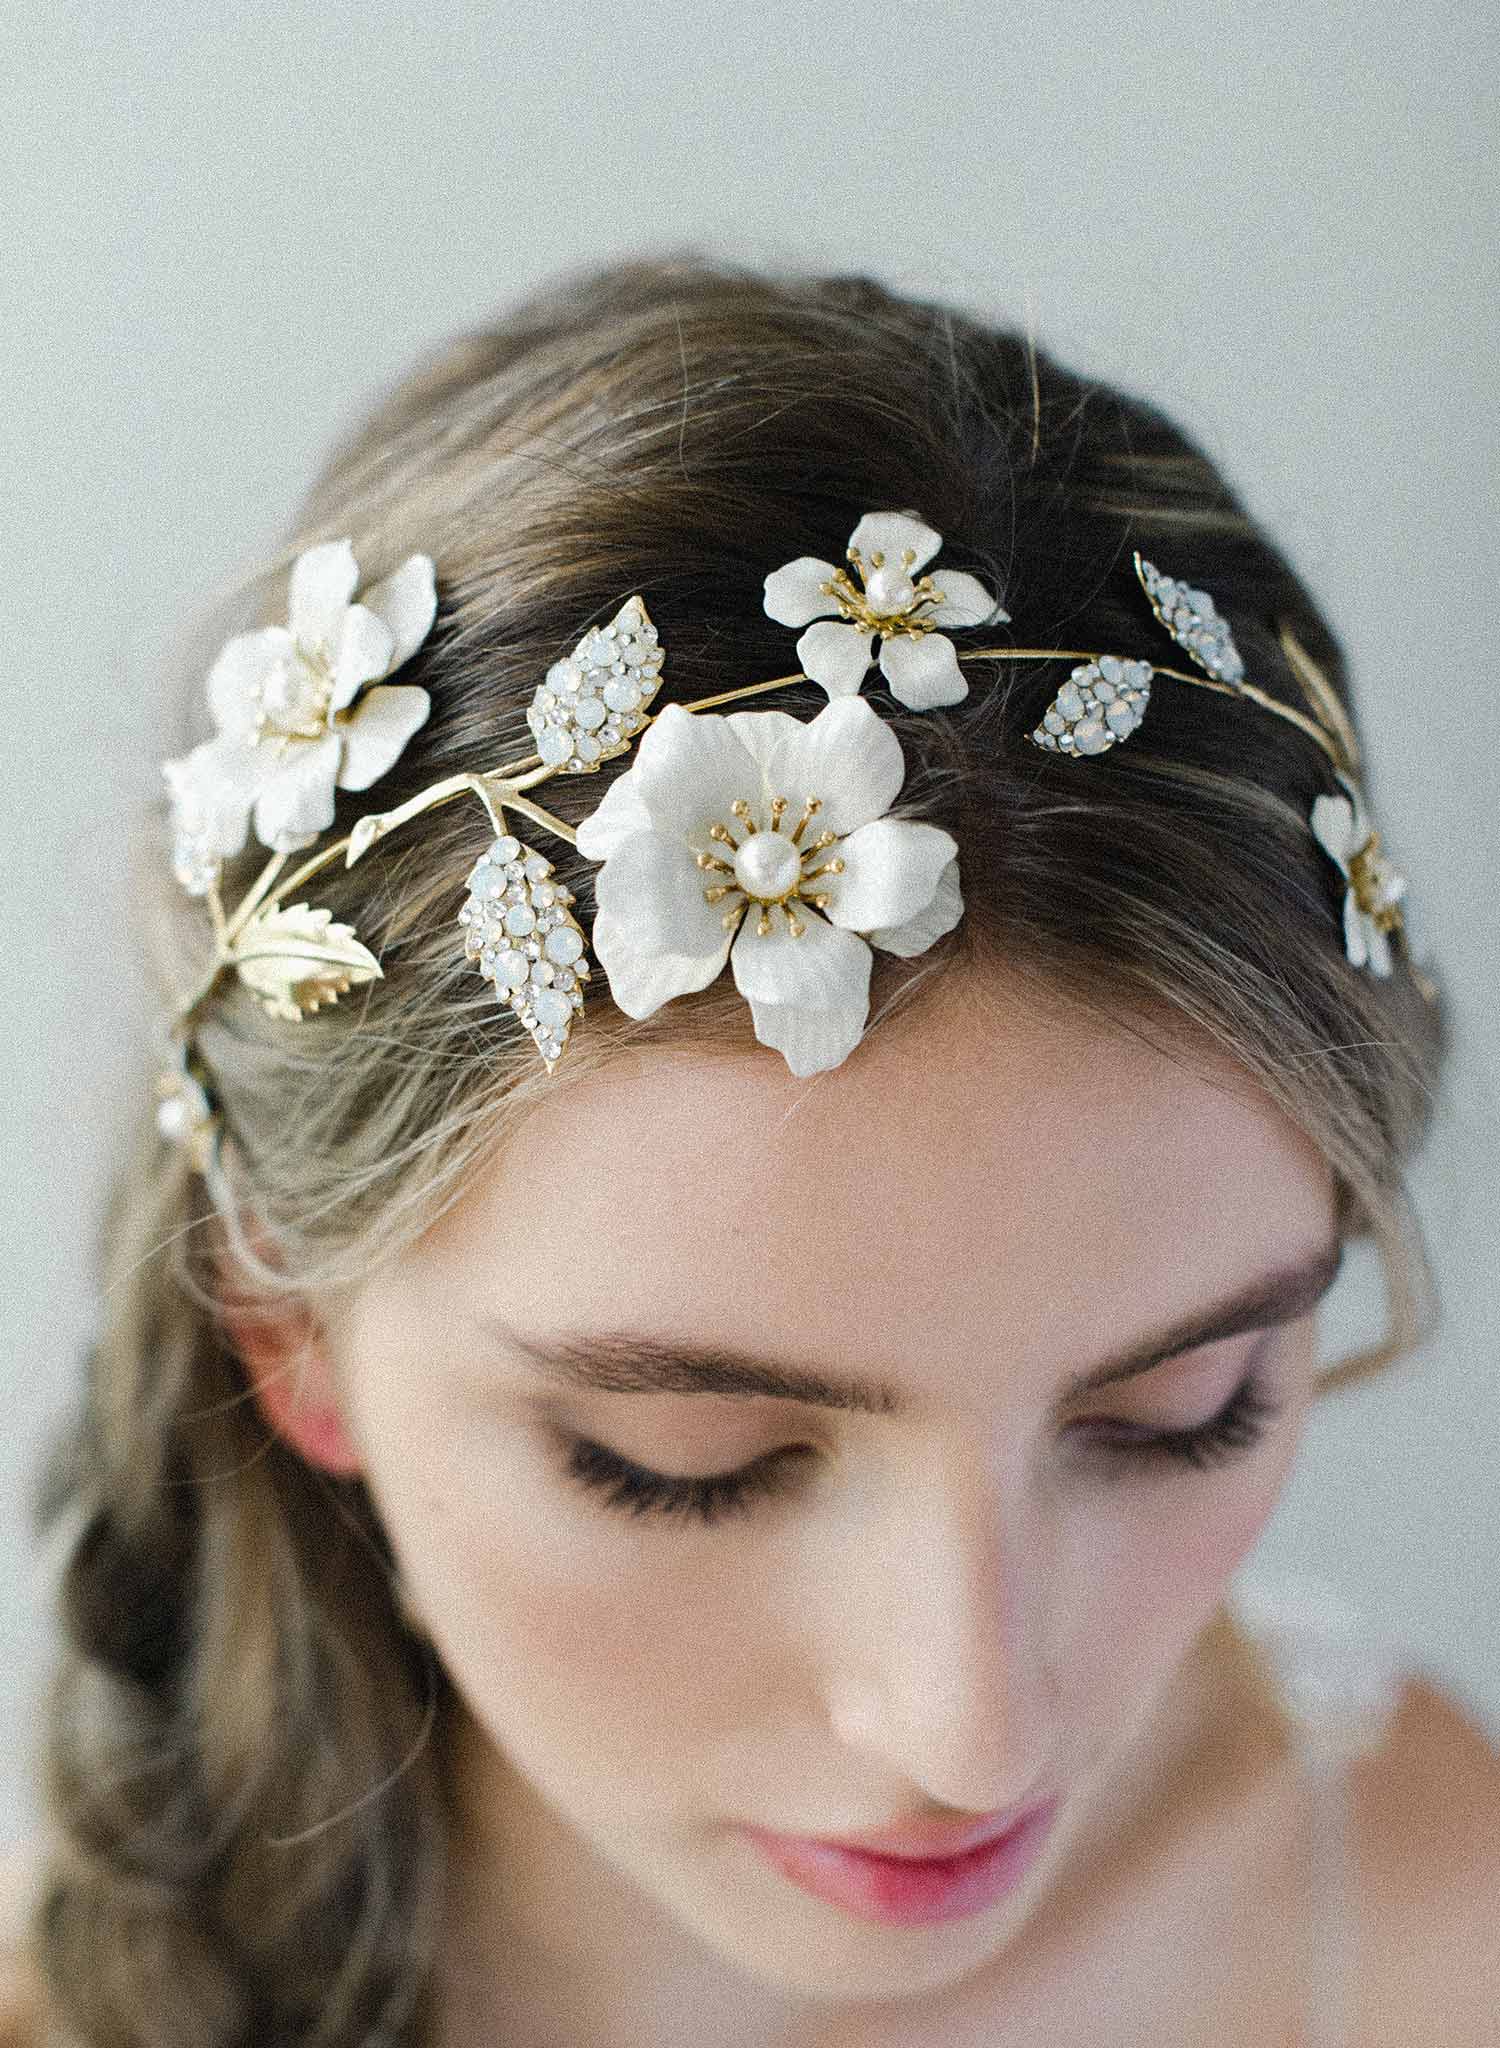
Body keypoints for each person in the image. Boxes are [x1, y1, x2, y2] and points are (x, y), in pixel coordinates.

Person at [10, 256, 1498, 2047]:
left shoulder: (1419, 1901)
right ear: (286, 1327)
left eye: (1186, 1408)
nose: (974, 1733)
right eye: (682, 1461)